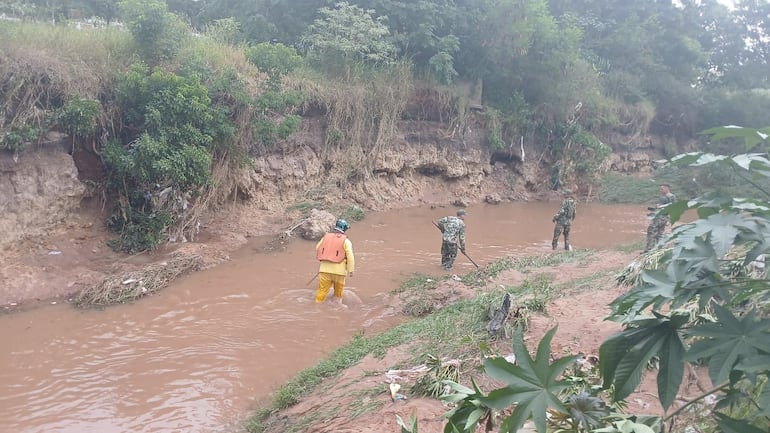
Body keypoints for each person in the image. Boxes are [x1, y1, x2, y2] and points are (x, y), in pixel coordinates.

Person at [315, 218, 355, 304]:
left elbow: (317, 248)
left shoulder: (325, 238)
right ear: (344, 229)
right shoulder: (346, 241)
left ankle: (317, 306)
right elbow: (350, 256)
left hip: (324, 270)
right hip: (339, 273)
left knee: (321, 293)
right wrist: (350, 270)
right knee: (338, 295)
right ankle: (336, 308)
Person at [644, 183, 676, 252]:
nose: (660, 190)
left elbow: (671, 207)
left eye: (662, 189)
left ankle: (649, 249)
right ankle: (658, 248)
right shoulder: (666, 197)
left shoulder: (670, 196)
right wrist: (652, 212)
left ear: (667, 188)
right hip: (662, 216)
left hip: (661, 217)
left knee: (652, 231)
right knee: (659, 233)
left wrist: (660, 207)